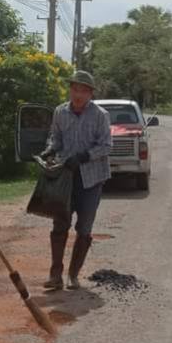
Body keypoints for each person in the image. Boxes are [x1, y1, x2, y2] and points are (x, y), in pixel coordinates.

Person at [40, 70, 112, 290]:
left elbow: (106, 145)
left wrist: (83, 157)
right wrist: (50, 149)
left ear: (90, 93)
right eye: (74, 89)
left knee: (84, 228)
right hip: (65, 177)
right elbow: (55, 137)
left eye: (83, 90)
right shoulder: (60, 112)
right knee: (60, 223)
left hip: (91, 179)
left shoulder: (100, 115)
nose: (78, 94)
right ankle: (55, 275)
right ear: (70, 90)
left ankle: (73, 274)